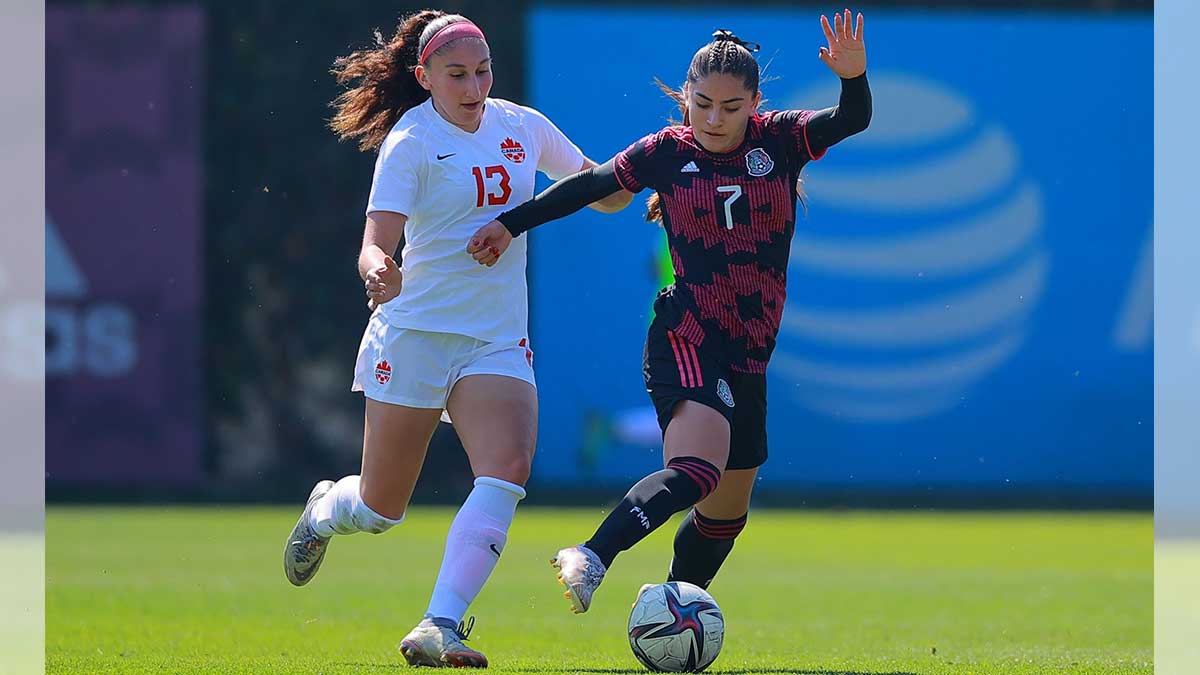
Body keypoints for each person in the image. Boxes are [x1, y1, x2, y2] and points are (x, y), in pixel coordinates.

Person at [467, 11, 871, 614]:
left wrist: (853, 78)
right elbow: (587, 186)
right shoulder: (665, 151)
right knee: (697, 469)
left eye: (731, 107)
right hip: (687, 334)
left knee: (724, 517)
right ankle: (592, 555)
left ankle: (675, 610)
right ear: (685, 97)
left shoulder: (781, 140)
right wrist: (508, 222)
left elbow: (853, 117)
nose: (714, 119)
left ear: (756, 103)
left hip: (751, 354)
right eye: (702, 103)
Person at [282, 9, 631, 667]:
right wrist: (378, 269)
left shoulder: (521, 126)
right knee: (383, 508)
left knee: (506, 472)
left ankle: (439, 623)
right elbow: (374, 245)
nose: (474, 86)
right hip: (413, 332)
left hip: (494, 339)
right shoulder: (411, 141)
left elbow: (594, 185)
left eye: (483, 71)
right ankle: (327, 509)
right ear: (426, 76)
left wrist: (647, 178)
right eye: (457, 74)